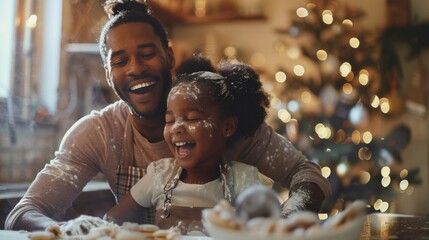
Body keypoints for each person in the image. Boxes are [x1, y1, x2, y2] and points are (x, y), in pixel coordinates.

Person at [5, 0, 330, 231]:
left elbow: (308, 177)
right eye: (119, 61)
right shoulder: (98, 133)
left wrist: (285, 224)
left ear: (169, 56)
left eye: (147, 54)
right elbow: (25, 212)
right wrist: (67, 232)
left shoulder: (222, 116)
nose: (135, 68)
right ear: (108, 74)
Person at [104, 57, 268, 233]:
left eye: (192, 118)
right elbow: (112, 220)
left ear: (227, 126)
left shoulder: (243, 180)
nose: (176, 128)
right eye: (169, 120)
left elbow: (267, 230)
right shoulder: (160, 175)